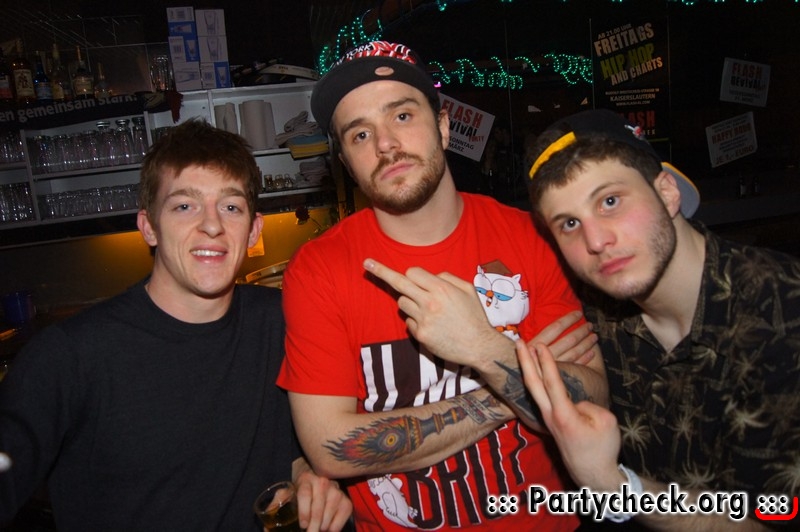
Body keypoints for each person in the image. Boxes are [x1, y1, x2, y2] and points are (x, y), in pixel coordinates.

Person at [277, 40, 607, 530]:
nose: (385, 144)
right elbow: (330, 448)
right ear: (346, 162)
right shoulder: (319, 269)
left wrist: (480, 345)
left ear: (444, 126)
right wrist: (506, 385)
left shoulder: (529, 236)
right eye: (360, 134)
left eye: (402, 116)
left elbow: (592, 402)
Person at [0, 119, 352, 531]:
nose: (212, 225)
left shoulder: (286, 321)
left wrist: (307, 470)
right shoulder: (70, 356)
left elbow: (300, 436)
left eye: (231, 207)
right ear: (148, 227)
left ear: (253, 229)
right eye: (185, 206)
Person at [517, 108, 800, 527]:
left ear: (667, 193)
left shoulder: (781, 313)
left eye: (610, 201)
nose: (596, 241)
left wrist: (613, 485)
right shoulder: (596, 309)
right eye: (570, 223)